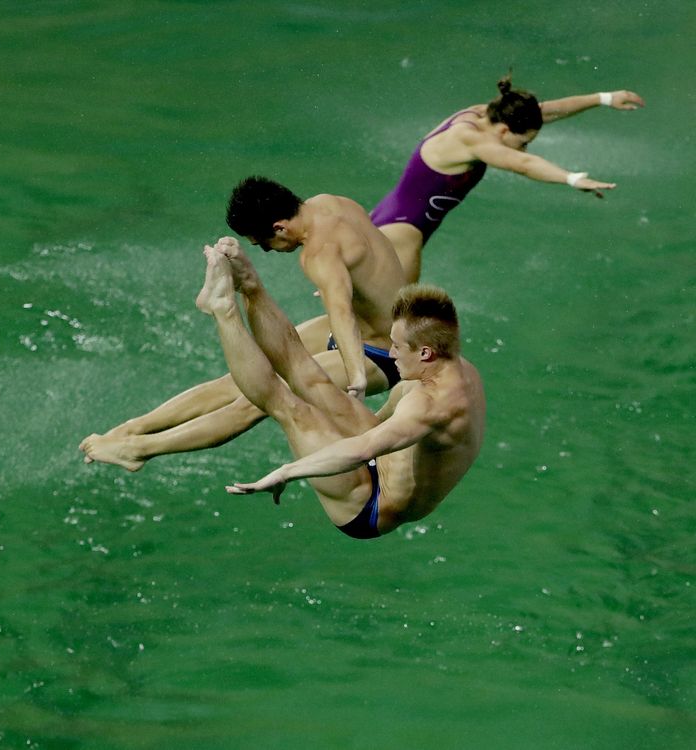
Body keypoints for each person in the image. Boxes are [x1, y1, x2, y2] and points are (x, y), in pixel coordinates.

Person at [79, 177, 406, 471]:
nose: (267, 250)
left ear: (279, 227)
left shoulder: (318, 254)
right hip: (375, 325)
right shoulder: (332, 202)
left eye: (263, 243)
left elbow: (341, 312)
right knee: (241, 378)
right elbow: (370, 255)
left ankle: (138, 449)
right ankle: (133, 428)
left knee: (259, 399)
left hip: (380, 352)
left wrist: (357, 375)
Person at [199, 239, 484, 537]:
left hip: (372, 504)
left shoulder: (432, 405)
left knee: (287, 404)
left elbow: (363, 449)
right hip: (383, 455)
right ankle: (248, 283)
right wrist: (356, 417)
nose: (391, 354)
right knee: (306, 374)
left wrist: (287, 471)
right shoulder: (454, 367)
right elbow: (388, 417)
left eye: (398, 347)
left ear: (425, 353)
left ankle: (222, 309)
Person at [370, 74, 645, 282]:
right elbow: (522, 164)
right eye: (523, 141)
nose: (525, 148)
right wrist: (570, 178)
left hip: (389, 220)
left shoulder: (483, 114)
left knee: (372, 324)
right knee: (388, 329)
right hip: (399, 235)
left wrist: (604, 98)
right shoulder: (469, 139)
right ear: (503, 132)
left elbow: (546, 111)